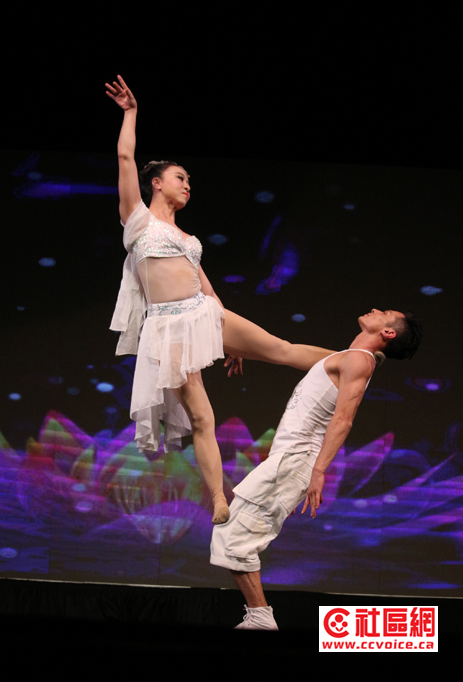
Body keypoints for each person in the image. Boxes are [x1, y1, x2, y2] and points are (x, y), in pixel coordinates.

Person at [106, 75, 334, 525]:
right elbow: (125, 156)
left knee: (281, 348)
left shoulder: (185, 236)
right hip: (169, 328)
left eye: (189, 180)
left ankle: (351, 360)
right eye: (180, 178)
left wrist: (221, 335)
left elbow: (202, 282)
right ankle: (218, 498)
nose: (188, 184)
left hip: (206, 314)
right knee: (202, 418)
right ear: (156, 183)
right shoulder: (137, 221)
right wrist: (131, 112)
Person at [210, 308, 423, 629]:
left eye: (386, 312)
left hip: (296, 459)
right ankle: (259, 615)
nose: (376, 310)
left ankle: (261, 617)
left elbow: (344, 419)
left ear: (388, 333)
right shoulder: (345, 358)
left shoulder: (360, 361)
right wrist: (237, 348)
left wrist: (318, 471)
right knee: (234, 537)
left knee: (234, 538)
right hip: (289, 459)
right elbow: (283, 350)